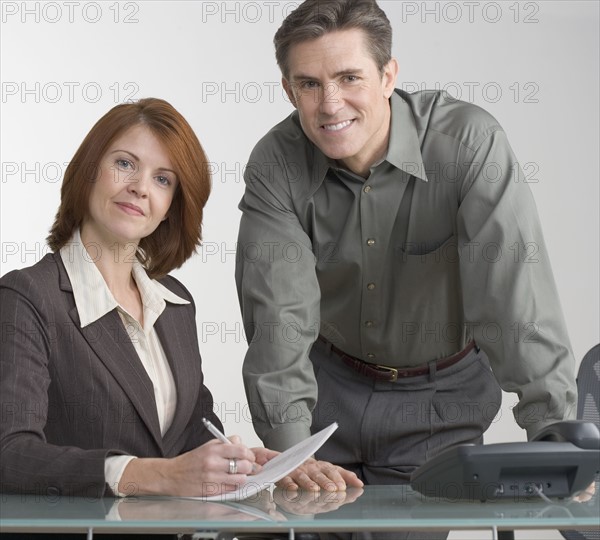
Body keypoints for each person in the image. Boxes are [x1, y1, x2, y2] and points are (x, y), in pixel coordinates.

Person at [236, 0, 577, 491]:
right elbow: (277, 318)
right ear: (289, 91)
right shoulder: (276, 164)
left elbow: (514, 299)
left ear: (388, 75)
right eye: (310, 84)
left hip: (439, 401)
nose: (330, 104)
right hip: (326, 396)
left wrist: (554, 437)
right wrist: (292, 451)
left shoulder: (468, 145)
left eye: (350, 77)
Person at [0, 98, 359, 539]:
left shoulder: (174, 303)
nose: (140, 187)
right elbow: (10, 453)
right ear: (89, 169)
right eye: (125, 163)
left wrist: (243, 463)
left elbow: (192, 428)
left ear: (171, 206)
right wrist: (154, 476)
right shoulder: (28, 297)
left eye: (162, 179)